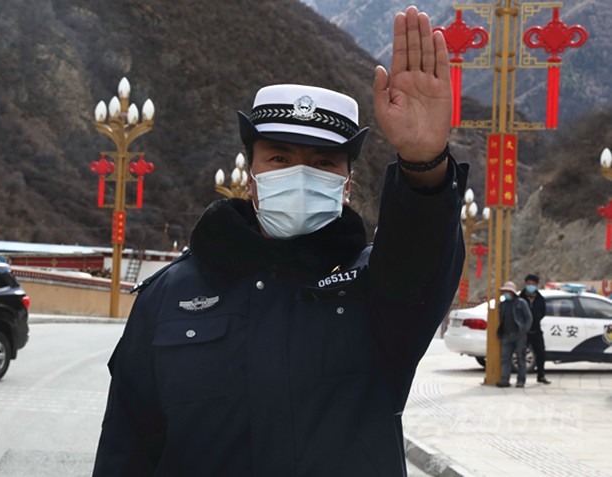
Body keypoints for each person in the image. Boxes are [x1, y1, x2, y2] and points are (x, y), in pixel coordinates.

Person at [93, 6, 467, 476]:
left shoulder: (378, 290)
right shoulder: (170, 295)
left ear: (347, 184)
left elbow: (422, 254)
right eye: (279, 158)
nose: (300, 174)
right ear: (251, 176)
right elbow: (127, 445)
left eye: (324, 162)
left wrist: (423, 164)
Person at [496, 281, 533, 388]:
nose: (505, 293)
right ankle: (505, 379)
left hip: (519, 335)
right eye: (504, 292)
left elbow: (529, 318)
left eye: (507, 291)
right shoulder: (502, 305)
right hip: (506, 335)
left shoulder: (521, 303)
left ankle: (521, 380)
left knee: (521, 358)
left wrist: (524, 331)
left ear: (512, 292)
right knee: (505, 358)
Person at [520, 273, 551, 384]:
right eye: (529, 283)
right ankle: (521, 378)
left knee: (541, 353)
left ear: (537, 285)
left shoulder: (540, 298)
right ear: (525, 284)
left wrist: (535, 318)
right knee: (521, 354)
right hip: (523, 331)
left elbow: (543, 312)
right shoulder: (520, 298)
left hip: (536, 330)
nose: (531, 286)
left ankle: (541, 375)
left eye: (533, 284)